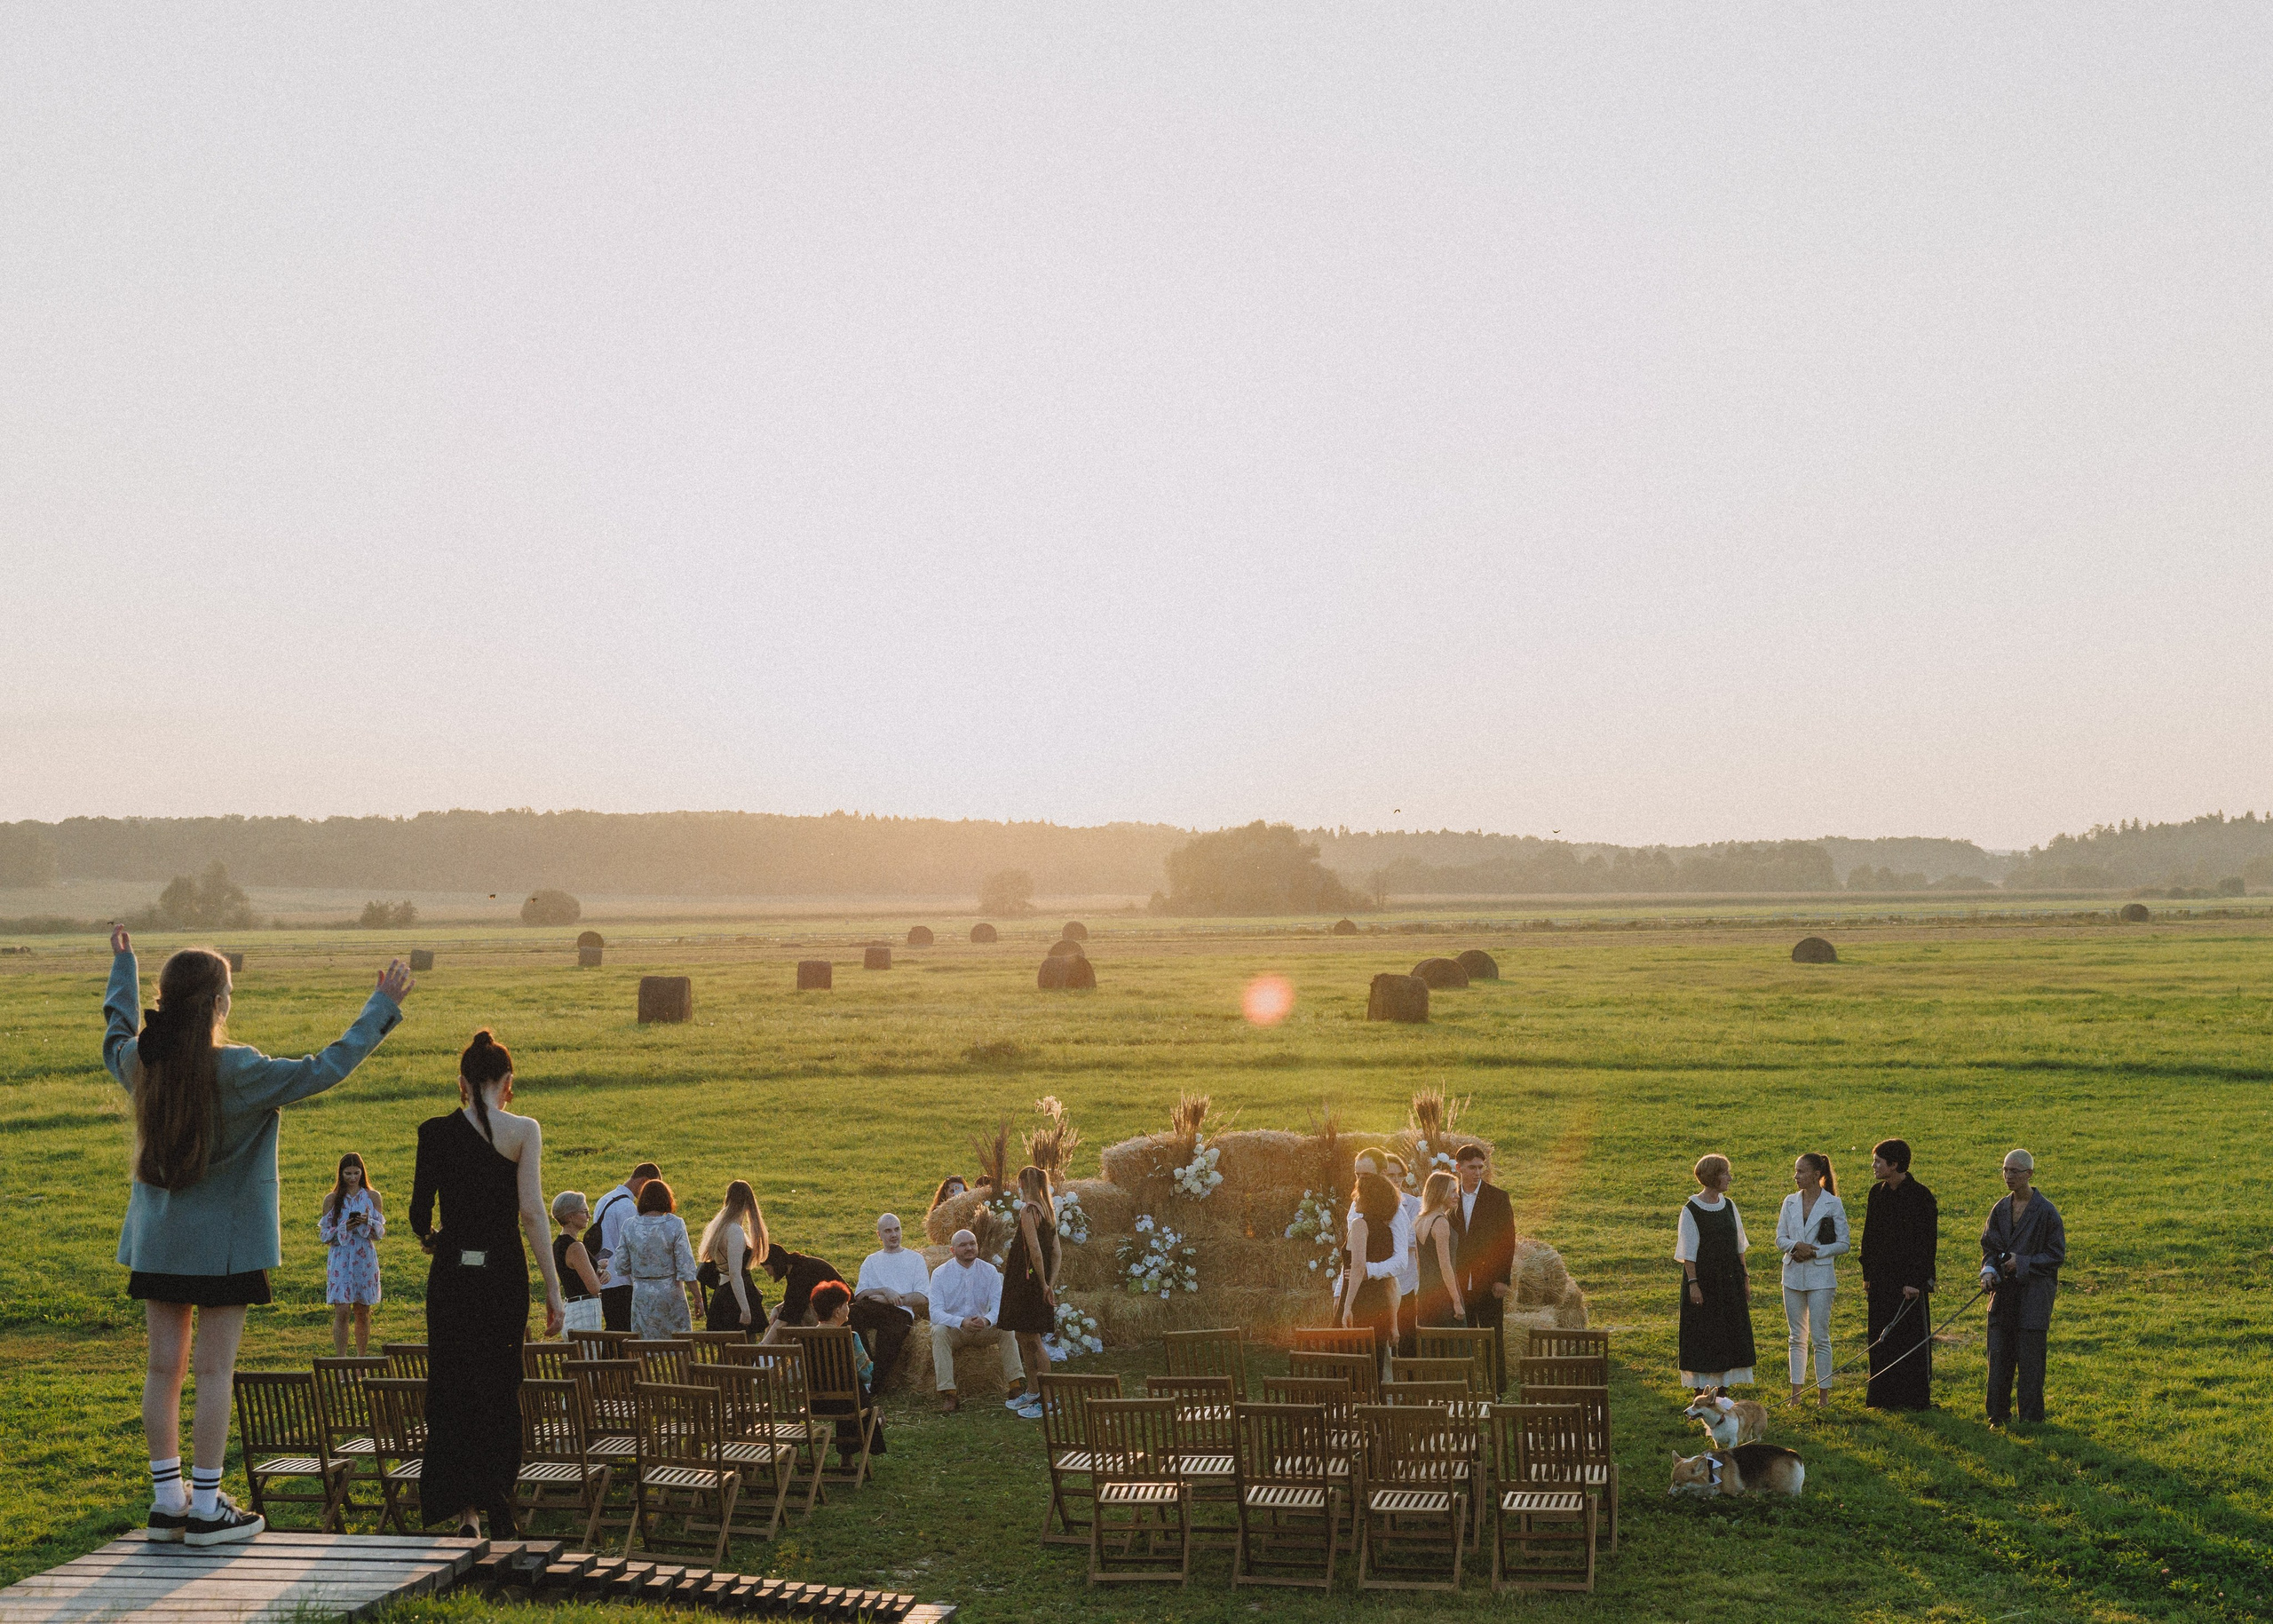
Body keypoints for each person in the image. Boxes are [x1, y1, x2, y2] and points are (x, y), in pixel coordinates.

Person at [103, 927, 412, 1548]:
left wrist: (124, 969)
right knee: (214, 1370)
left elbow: (115, 1035)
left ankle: (167, 1504)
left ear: (168, 1000)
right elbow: (325, 1067)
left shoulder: (143, 1060)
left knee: (162, 1369)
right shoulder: (239, 1068)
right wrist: (380, 1008)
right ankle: (207, 1506)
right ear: (218, 1003)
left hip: (159, 1244)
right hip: (226, 1250)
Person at [410, 1029, 566, 1538]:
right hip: (503, 1274)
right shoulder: (524, 1131)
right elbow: (532, 1212)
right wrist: (552, 1285)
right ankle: (497, 1498)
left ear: (462, 1082)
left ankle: (466, 1513)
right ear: (507, 1081)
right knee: (499, 1385)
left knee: (452, 1384)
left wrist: (433, 1238)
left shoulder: (434, 1133)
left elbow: (418, 1213)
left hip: (452, 1275)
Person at [1980, 1148, 2064, 1427]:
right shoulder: (2000, 1208)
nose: (2008, 1176)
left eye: (2014, 1171)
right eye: (2005, 1170)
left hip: (2034, 1297)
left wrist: (2022, 1262)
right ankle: (1997, 1415)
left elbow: (2056, 1255)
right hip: (2003, 1295)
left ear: (2029, 1174)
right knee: (1999, 1357)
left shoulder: (2047, 1212)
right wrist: (1989, 1270)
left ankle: (2031, 1419)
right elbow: (1989, 1247)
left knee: (2030, 1362)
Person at [768, 1279, 886, 1462]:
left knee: (850, 1392)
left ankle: (850, 1455)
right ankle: (856, 1446)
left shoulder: (802, 1339)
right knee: (853, 1392)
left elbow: (795, 1372)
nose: (848, 1309)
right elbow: (866, 1373)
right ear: (837, 1311)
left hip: (813, 1403)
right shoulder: (850, 1337)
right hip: (846, 1403)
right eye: (846, 1305)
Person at [1861, 1137, 1938, 1411]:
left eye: (1878, 1162)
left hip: (1909, 1284)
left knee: (1909, 1339)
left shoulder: (1921, 1197)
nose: (1873, 1166)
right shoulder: (1876, 1193)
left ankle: (1913, 1400)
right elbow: (1869, 1236)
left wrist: (1915, 1281)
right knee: (1880, 1338)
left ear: (1894, 1165)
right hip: (1881, 1280)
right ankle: (1881, 1398)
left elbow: (1926, 1244)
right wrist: (1868, 1274)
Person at [1774, 1153, 1849, 1406]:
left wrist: (1814, 1252)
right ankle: (1795, 1395)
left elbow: (1844, 1243)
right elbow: (1780, 1238)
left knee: (1820, 1337)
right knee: (1796, 1337)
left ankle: (1823, 1395)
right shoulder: (1790, 1201)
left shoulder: (1833, 1203)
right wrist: (1797, 1246)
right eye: (1796, 1171)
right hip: (1792, 1274)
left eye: (1801, 1171)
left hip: (1821, 1278)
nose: (1796, 1176)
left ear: (1817, 1175)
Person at [1676, 1153, 1757, 1392]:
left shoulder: (1729, 1206)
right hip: (1705, 1282)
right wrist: (1693, 1284)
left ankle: (1722, 1393)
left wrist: (1745, 1278)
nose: (1730, 1178)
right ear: (1713, 1177)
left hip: (1729, 1281)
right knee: (1705, 1334)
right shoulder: (1691, 1210)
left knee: (1728, 1334)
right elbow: (1688, 1253)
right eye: (1725, 1174)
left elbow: (1739, 1246)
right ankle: (1702, 1394)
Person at [928, 1228, 1020, 1414]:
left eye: (972, 1244)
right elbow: (935, 1313)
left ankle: (1015, 1386)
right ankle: (949, 1393)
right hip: (955, 1331)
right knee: (938, 1331)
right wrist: (961, 1322)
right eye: (963, 1245)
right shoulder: (940, 1274)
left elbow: (999, 1307)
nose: (969, 1248)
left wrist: (986, 1320)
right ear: (952, 1250)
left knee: (1007, 1329)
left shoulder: (989, 1271)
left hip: (981, 1329)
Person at [1449, 1143, 1517, 1394]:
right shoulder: (1450, 1197)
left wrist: (1502, 1279)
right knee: (1463, 1338)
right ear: (1459, 1168)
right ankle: (1465, 1390)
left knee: (1493, 1338)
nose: (1478, 1172)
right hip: (1459, 1282)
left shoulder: (1498, 1197)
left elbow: (1507, 1240)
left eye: (1481, 1167)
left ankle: (1498, 1392)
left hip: (1489, 1281)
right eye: (1472, 1168)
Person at [995, 1167, 1059, 1419]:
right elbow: (1057, 1253)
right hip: (1033, 1282)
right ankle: (1033, 1390)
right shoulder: (1049, 1212)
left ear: (1022, 1183)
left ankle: (1048, 1399)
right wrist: (1051, 1283)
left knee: (1034, 1341)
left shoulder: (1028, 1211)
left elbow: (1036, 1251)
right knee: (1022, 1336)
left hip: (1027, 1282)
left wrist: (1043, 1284)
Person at [851, 1213, 931, 1390]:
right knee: (852, 1313)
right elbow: (860, 1295)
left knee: (888, 1339)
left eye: (897, 1229)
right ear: (879, 1235)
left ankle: (874, 1385)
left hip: (901, 1311)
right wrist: (884, 1290)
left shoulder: (915, 1259)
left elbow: (923, 1297)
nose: (894, 1235)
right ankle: (865, 1365)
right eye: (888, 1231)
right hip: (873, 1306)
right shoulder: (871, 1260)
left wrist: (890, 1300)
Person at [319, 1152, 387, 1355]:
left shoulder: (372, 1197)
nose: (352, 1177)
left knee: (362, 1311)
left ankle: (360, 1360)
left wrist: (368, 1221)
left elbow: (380, 1233)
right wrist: (344, 1227)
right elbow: (324, 1235)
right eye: (348, 1173)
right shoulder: (332, 1199)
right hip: (341, 1256)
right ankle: (341, 1361)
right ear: (341, 1174)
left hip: (363, 1256)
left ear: (362, 1173)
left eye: (356, 1173)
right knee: (341, 1310)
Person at [1339, 1168, 1406, 1373]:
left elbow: (1358, 1268)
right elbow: (1389, 1282)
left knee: (1350, 1369)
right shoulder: (1386, 1231)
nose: (1355, 1197)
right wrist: (1393, 1322)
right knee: (1374, 1369)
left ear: (1369, 1198)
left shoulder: (1360, 1225)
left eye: (1359, 1193)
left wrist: (1347, 1307)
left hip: (1360, 1302)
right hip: (1381, 1306)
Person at [617, 1179, 702, 1339]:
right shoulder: (675, 1224)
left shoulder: (629, 1226)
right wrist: (698, 1298)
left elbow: (621, 1265)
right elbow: (686, 1267)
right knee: (677, 1343)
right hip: (670, 1293)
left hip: (642, 1294)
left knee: (644, 1344)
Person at [590, 1162, 660, 1332]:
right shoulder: (627, 1207)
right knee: (624, 1332)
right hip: (622, 1280)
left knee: (613, 1329)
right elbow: (633, 1247)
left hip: (604, 1276)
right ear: (643, 1181)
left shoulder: (604, 1200)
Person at [696, 1181, 768, 1335]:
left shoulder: (720, 1226)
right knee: (745, 1346)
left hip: (723, 1291)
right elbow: (735, 1274)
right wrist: (745, 1309)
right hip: (735, 1297)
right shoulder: (734, 1230)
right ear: (748, 1202)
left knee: (726, 1346)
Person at [1381, 1153, 1424, 1356]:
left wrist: (1383, 1242)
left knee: (1407, 1336)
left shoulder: (1414, 1204)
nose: (1396, 1179)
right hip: (1380, 1280)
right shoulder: (1371, 1205)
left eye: (1400, 1175)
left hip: (1405, 1281)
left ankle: (1408, 1374)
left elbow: (1414, 1239)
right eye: (1391, 1175)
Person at [1412, 1170, 1466, 1329]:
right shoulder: (1440, 1222)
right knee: (1454, 1341)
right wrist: (1456, 1301)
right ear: (1440, 1192)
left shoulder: (1420, 1220)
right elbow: (1445, 1266)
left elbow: (1419, 1263)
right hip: (1444, 1294)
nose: (1457, 1196)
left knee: (1430, 1341)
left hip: (1426, 1293)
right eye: (1452, 1191)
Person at [550, 1192, 606, 1334]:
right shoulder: (575, 1247)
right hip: (584, 1311)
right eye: (584, 1212)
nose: (589, 1216)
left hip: (572, 1308)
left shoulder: (558, 1244)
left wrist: (598, 1268)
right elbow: (594, 1288)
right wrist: (600, 1276)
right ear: (570, 1216)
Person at [762, 1240, 845, 1327]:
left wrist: (766, 1339)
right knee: (782, 1313)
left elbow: (788, 1315)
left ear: (776, 1264)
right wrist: (776, 1308)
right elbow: (793, 1299)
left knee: (796, 1317)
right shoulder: (796, 1267)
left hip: (838, 1312)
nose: (769, 1274)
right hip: (833, 1309)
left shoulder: (801, 1272)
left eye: (768, 1269)